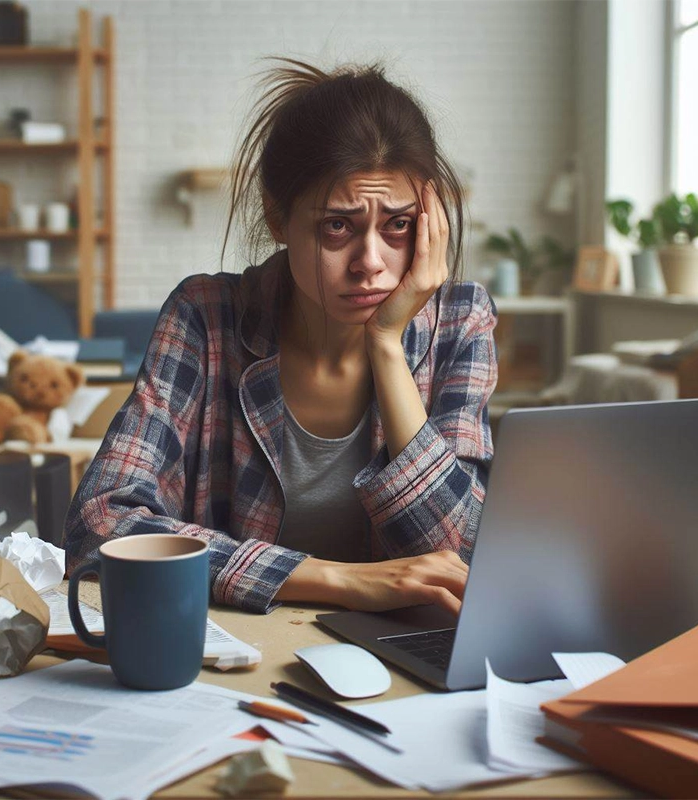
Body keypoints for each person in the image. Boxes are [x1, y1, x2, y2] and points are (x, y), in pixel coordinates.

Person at [64, 59, 498, 615]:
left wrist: (387, 347)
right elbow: (99, 527)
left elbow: (465, 558)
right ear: (277, 216)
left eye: (398, 225)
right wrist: (338, 580)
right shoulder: (206, 317)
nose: (371, 263)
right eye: (336, 226)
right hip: (239, 659)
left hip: (404, 671)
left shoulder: (461, 321)